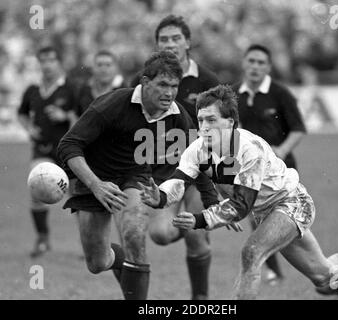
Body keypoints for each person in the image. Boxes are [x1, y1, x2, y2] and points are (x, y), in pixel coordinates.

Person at [139, 84, 338, 300]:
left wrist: (200, 219)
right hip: (266, 212)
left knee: (252, 252)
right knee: (324, 276)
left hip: (292, 202)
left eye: (211, 120)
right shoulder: (198, 149)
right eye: (201, 121)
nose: (204, 128)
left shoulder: (250, 149)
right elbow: (179, 180)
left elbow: (240, 206)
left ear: (230, 122)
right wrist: (159, 196)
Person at [57, 51, 213, 300]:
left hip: (135, 177)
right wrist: (96, 185)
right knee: (97, 262)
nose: (169, 92)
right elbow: (68, 145)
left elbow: (198, 160)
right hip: (92, 179)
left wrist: (215, 204)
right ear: (145, 82)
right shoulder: (113, 104)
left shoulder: (177, 116)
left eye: (174, 86)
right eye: (163, 84)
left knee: (133, 233)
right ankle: (120, 262)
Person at [130, 14, 219, 299]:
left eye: (175, 38)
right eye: (163, 39)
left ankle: (201, 298)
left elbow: (227, 129)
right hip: (161, 175)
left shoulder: (207, 80)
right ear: (156, 45)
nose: (170, 44)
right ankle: (185, 224)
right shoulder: (142, 81)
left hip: (199, 171)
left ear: (188, 42)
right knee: (161, 235)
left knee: (195, 234)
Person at [232, 44, 307, 283]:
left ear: (269, 67)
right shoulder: (233, 94)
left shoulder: (280, 93)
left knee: (285, 220)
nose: (255, 67)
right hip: (250, 170)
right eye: (251, 61)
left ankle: (313, 266)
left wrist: (281, 150)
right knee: (256, 218)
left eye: (260, 62)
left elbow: (298, 129)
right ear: (243, 63)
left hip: (282, 170)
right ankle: (273, 271)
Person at [18, 46, 76, 258]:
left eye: (51, 60)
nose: (47, 65)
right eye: (43, 61)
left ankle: (87, 240)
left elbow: (82, 116)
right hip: (41, 149)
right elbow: (22, 114)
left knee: (77, 195)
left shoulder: (70, 88)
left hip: (68, 151)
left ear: (58, 62)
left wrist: (65, 115)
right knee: (36, 190)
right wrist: (29, 128)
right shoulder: (33, 90)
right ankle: (42, 238)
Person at [75, 50, 125, 117]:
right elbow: (76, 117)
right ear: (92, 68)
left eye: (108, 65)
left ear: (116, 68)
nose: (103, 69)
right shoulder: (84, 90)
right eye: (99, 65)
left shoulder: (124, 91)